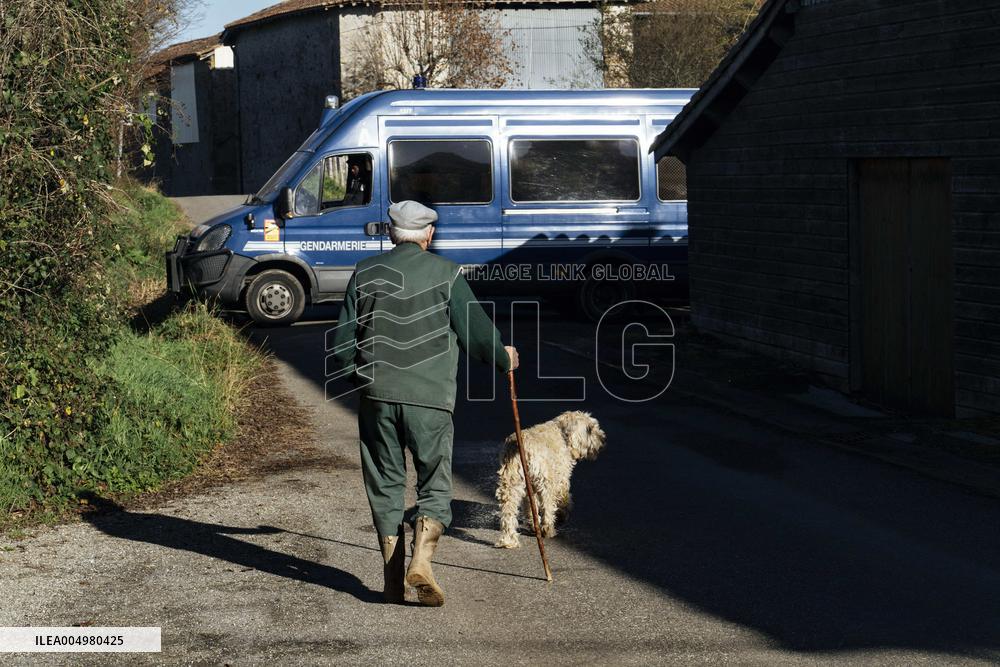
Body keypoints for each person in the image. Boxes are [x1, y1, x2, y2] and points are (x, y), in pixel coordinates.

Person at [328, 200, 518, 606]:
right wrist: (504, 357)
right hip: (430, 400)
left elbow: (342, 345)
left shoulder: (365, 272)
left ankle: (392, 581)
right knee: (434, 480)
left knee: (385, 483)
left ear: (390, 233)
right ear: (429, 235)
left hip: (377, 398)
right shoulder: (447, 274)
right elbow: (477, 334)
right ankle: (422, 561)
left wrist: (360, 378)